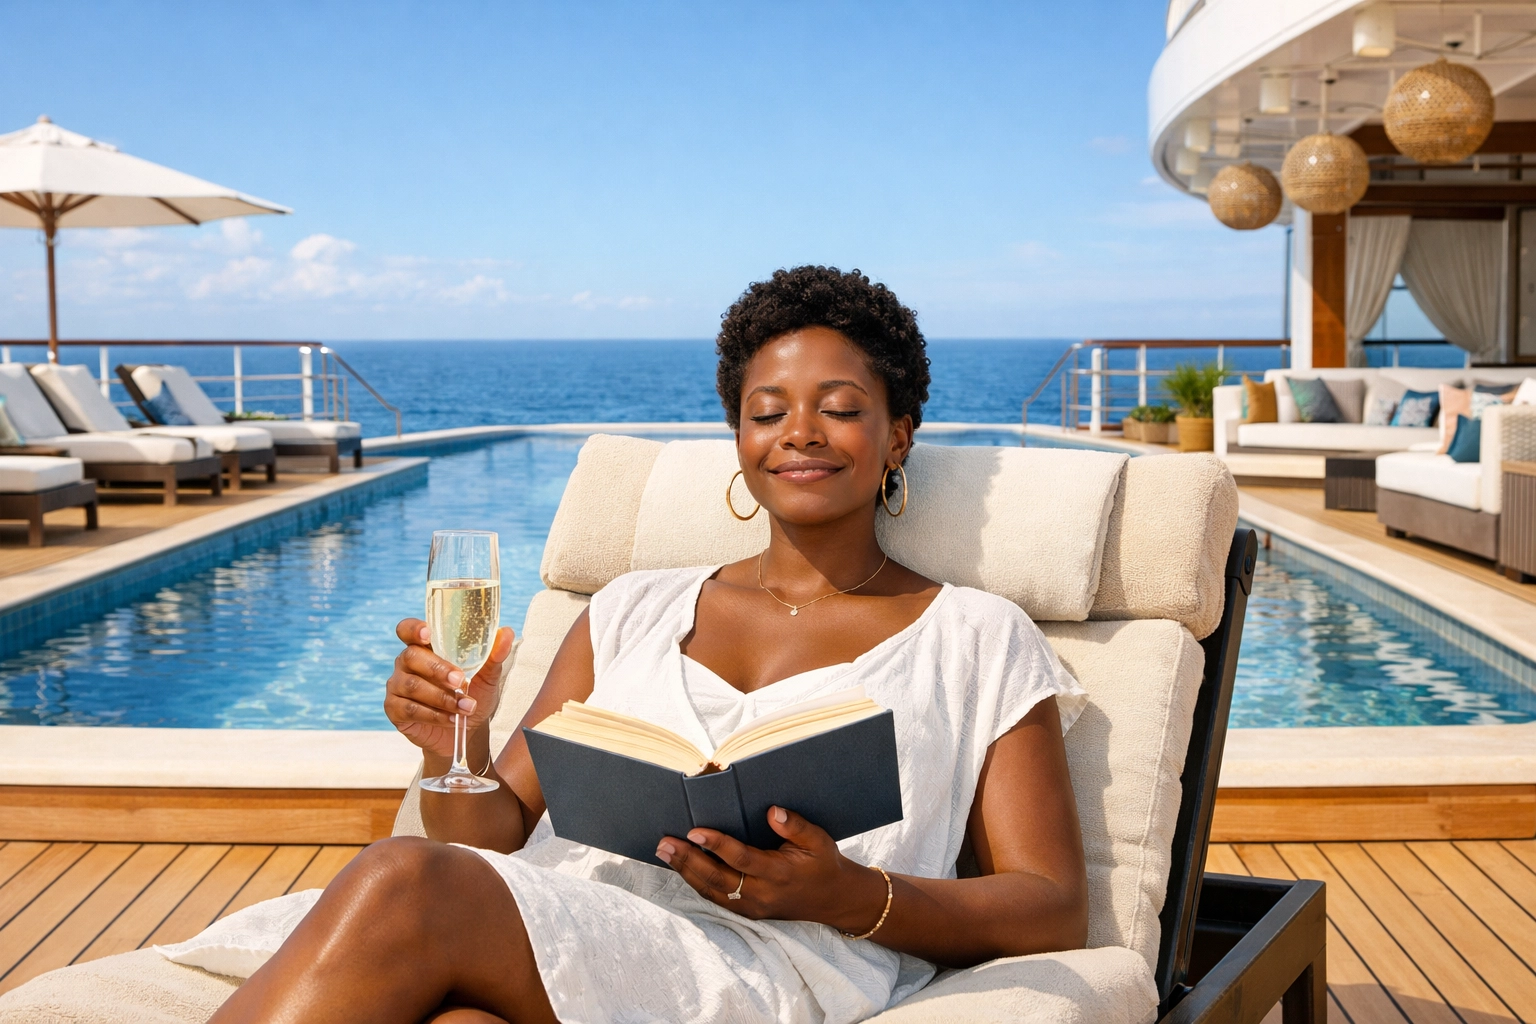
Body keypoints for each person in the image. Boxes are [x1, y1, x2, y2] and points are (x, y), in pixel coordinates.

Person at [211, 266, 1089, 1024]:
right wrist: (459, 746)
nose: (801, 432)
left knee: (406, 878)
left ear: (897, 435)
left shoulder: (975, 636)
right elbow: (493, 832)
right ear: (740, 440)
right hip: (569, 926)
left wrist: (852, 896)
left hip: (770, 969)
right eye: (767, 410)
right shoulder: (631, 607)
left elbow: (1051, 908)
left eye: (842, 409)